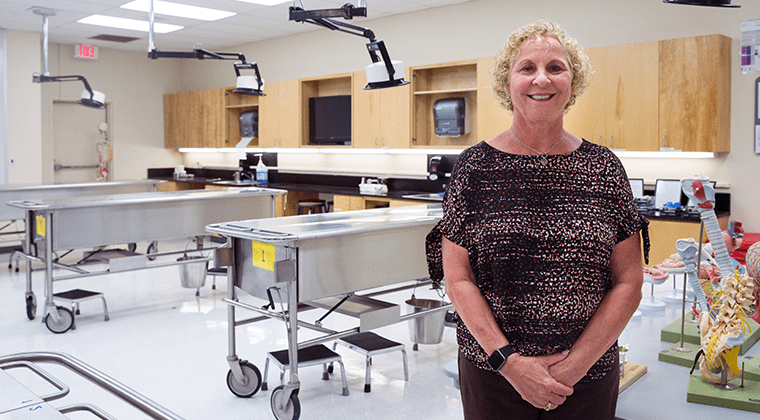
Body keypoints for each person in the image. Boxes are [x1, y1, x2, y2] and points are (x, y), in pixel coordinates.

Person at [425, 20, 650, 419]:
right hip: (493, 377)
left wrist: (574, 365)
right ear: (507, 84)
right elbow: (458, 278)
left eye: (556, 67)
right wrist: (510, 363)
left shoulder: (603, 169)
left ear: (572, 83)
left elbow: (629, 281)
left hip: (587, 379)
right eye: (527, 68)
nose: (541, 78)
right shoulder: (474, 169)